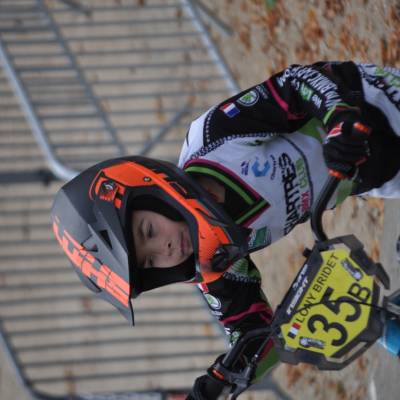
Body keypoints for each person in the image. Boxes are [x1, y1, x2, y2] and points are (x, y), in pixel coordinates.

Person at [51, 61, 400, 398]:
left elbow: (296, 83)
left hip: (373, 106)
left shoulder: (214, 139)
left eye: (149, 232)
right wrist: (220, 379)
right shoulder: (215, 263)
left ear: (149, 191)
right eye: (151, 262)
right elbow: (253, 333)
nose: (165, 250)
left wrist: (338, 118)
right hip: (374, 177)